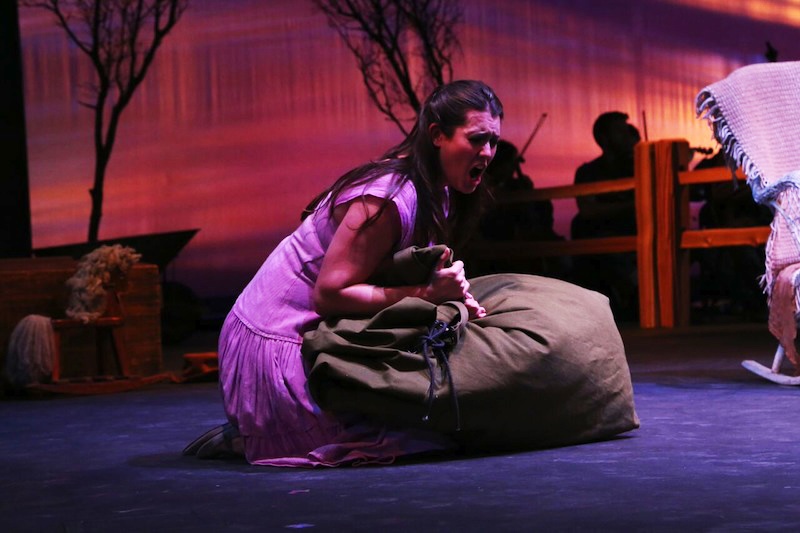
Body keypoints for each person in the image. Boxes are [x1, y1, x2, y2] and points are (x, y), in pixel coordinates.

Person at [183, 80, 503, 467]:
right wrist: (428, 294)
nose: (488, 152)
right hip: (273, 341)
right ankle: (251, 432)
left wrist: (455, 296)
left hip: (320, 332)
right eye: (476, 139)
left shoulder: (440, 194)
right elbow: (331, 294)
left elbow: (396, 272)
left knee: (429, 420)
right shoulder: (388, 197)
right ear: (437, 135)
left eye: (494, 141)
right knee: (404, 437)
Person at [570, 111, 640, 320]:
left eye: (626, 130)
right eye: (620, 131)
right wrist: (632, 205)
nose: (627, 135)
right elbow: (587, 210)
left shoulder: (636, 167)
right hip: (606, 237)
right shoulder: (588, 172)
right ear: (604, 138)